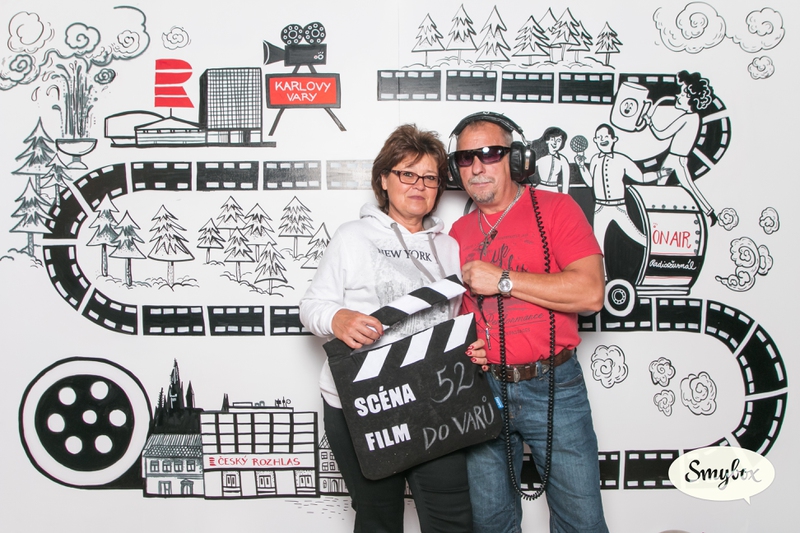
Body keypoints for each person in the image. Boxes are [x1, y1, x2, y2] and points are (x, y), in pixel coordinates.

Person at [299, 124, 486, 533]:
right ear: (384, 179)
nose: (419, 185)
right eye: (407, 173)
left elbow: (458, 318)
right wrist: (337, 318)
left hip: (435, 400)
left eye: (430, 177)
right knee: (378, 519)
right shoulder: (352, 237)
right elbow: (311, 306)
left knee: (452, 519)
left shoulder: (450, 246)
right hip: (363, 404)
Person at [448, 112, 609, 533]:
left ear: (517, 159)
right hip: (483, 390)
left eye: (490, 153)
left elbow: (591, 293)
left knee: (581, 522)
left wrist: (503, 280)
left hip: (554, 385)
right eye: (465, 158)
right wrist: (468, 344)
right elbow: (455, 316)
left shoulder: (557, 209)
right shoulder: (457, 233)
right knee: (491, 523)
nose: (476, 166)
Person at [643, 70, 718, 226]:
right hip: (676, 158)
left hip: (676, 158)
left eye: (683, 93)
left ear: (691, 99)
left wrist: (650, 122)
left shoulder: (688, 118)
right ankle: (708, 212)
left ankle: (658, 217)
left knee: (675, 186)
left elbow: (662, 134)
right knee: (667, 185)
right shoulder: (695, 118)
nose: (678, 95)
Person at [576, 123, 659, 255]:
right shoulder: (595, 159)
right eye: (599, 137)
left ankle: (656, 253)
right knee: (598, 246)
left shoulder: (622, 159)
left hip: (618, 207)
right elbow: (590, 182)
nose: (602, 139)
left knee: (638, 237)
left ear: (614, 139)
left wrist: (659, 174)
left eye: (606, 136)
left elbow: (641, 177)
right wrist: (581, 167)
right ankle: (602, 270)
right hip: (600, 208)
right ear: (595, 140)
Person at [532, 126, 570, 194]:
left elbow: (565, 181)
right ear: (547, 140)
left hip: (554, 190)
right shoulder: (540, 157)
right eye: (552, 139)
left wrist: (564, 196)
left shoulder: (563, 160)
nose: (555, 143)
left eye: (558, 140)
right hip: (540, 189)